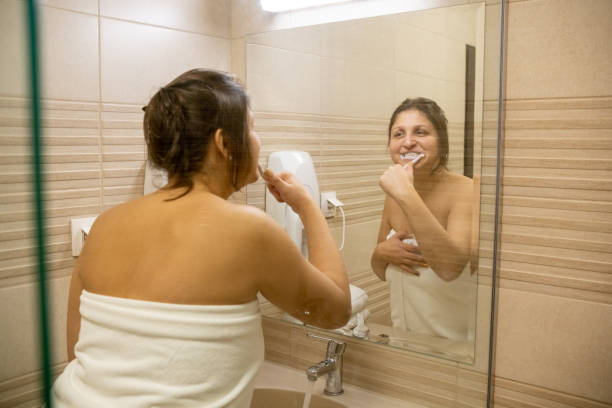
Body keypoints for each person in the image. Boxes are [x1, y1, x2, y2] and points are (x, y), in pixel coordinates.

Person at [52, 69, 351, 407]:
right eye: (252, 127)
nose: (258, 139)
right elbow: (336, 310)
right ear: (224, 144)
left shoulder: (104, 226)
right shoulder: (249, 229)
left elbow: (79, 357)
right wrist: (308, 205)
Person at [370, 97, 476, 341]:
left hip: (454, 347)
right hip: (404, 339)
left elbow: (450, 269)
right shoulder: (395, 195)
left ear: (442, 141)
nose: (408, 142)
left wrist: (406, 194)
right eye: (398, 134)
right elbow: (381, 270)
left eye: (420, 132)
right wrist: (379, 253)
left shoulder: (466, 192)